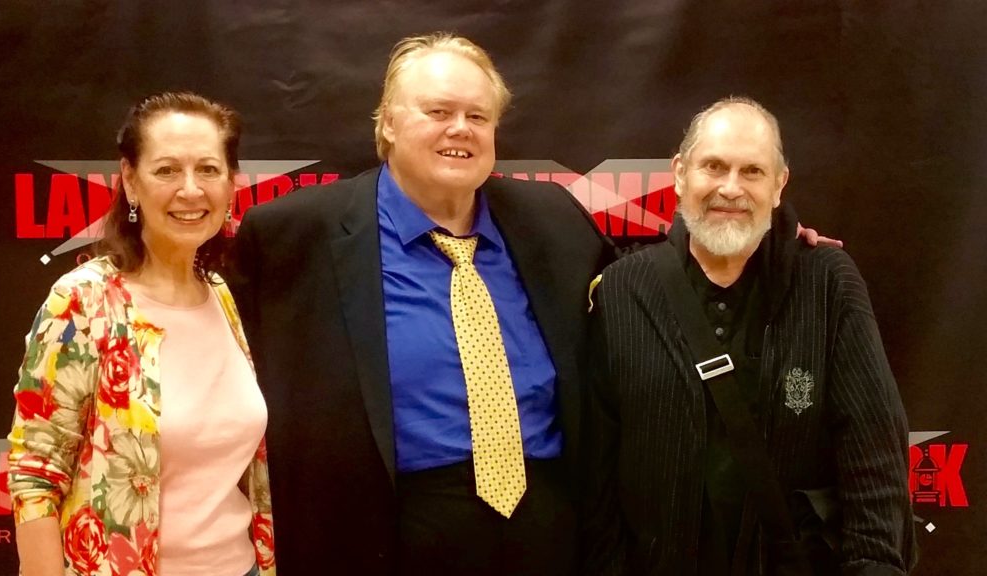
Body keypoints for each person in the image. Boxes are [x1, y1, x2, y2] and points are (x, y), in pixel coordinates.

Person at [229, 33, 613, 575]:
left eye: (478, 116)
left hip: (546, 527)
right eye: (438, 111)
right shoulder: (293, 236)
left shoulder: (554, 222)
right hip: (385, 533)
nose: (461, 129)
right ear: (387, 123)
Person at [581, 97, 915, 575]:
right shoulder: (622, 290)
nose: (730, 189)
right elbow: (598, 479)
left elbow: (873, 455)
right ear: (680, 174)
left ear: (779, 185)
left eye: (752, 172)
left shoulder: (827, 282)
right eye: (713, 167)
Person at [7, 92, 276, 576]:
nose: (191, 190)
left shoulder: (221, 296)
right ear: (130, 181)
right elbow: (36, 472)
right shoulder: (83, 301)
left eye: (209, 170)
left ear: (232, 184)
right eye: (167, 170)